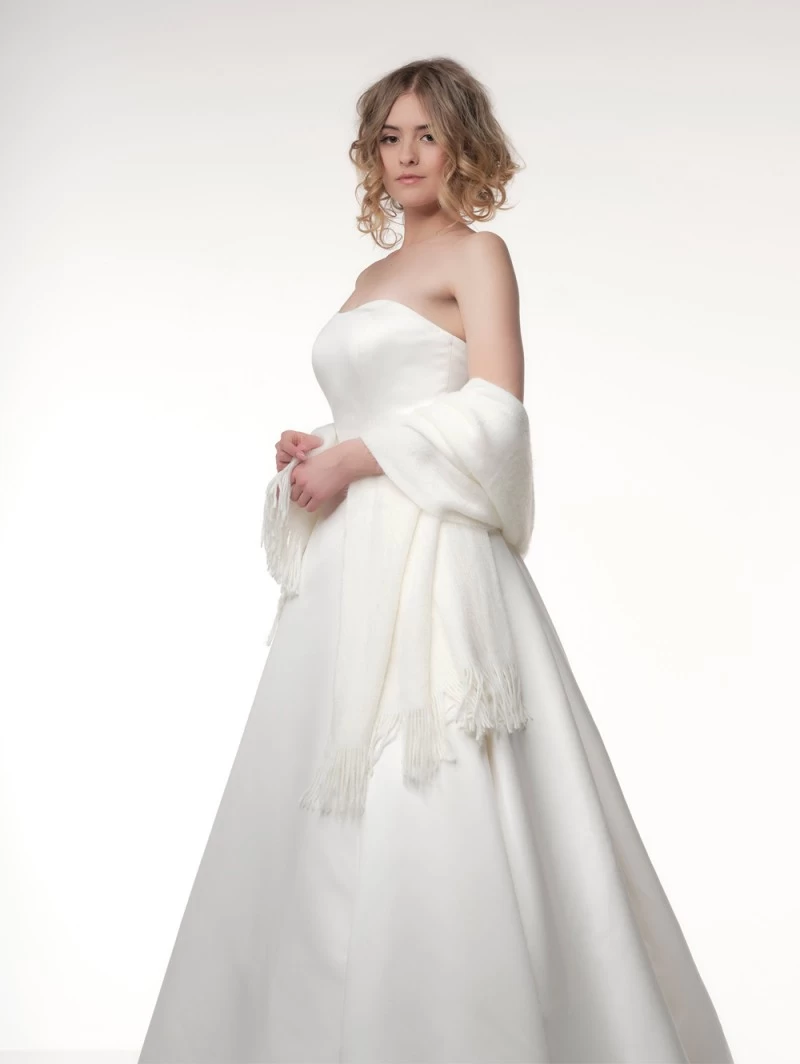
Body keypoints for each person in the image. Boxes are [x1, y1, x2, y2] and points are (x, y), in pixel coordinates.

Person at [138, 56, 734, 1064]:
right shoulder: (367, 280)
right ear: (371, 153)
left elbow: (494, 412)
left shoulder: (478, 254)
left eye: (426, 134)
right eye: (389, 137)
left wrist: (357, 455)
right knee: (316, 815)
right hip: (347, 579)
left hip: (436, 570)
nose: (406, 154)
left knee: (434, 794)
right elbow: (387, 405)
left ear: (461, 146)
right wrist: (321, 443)